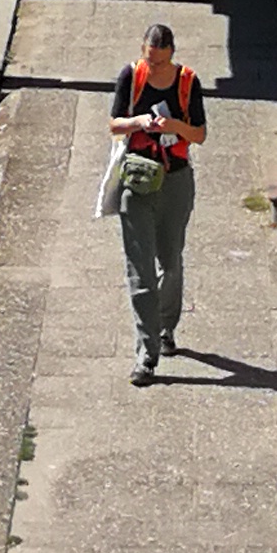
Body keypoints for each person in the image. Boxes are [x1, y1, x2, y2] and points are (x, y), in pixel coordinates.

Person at [106, 20, 204, 380]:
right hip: (137, 180)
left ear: (172, 55)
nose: (155, 66)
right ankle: (146, 355)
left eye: (161, 61)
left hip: (175, 180)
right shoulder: (131, 77)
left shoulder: (188, 82)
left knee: (170, 261)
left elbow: (200, 135)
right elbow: (114, 125)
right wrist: (139, 122)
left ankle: (165, 328)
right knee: (140, 269)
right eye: (150, 60)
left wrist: (173, 127)